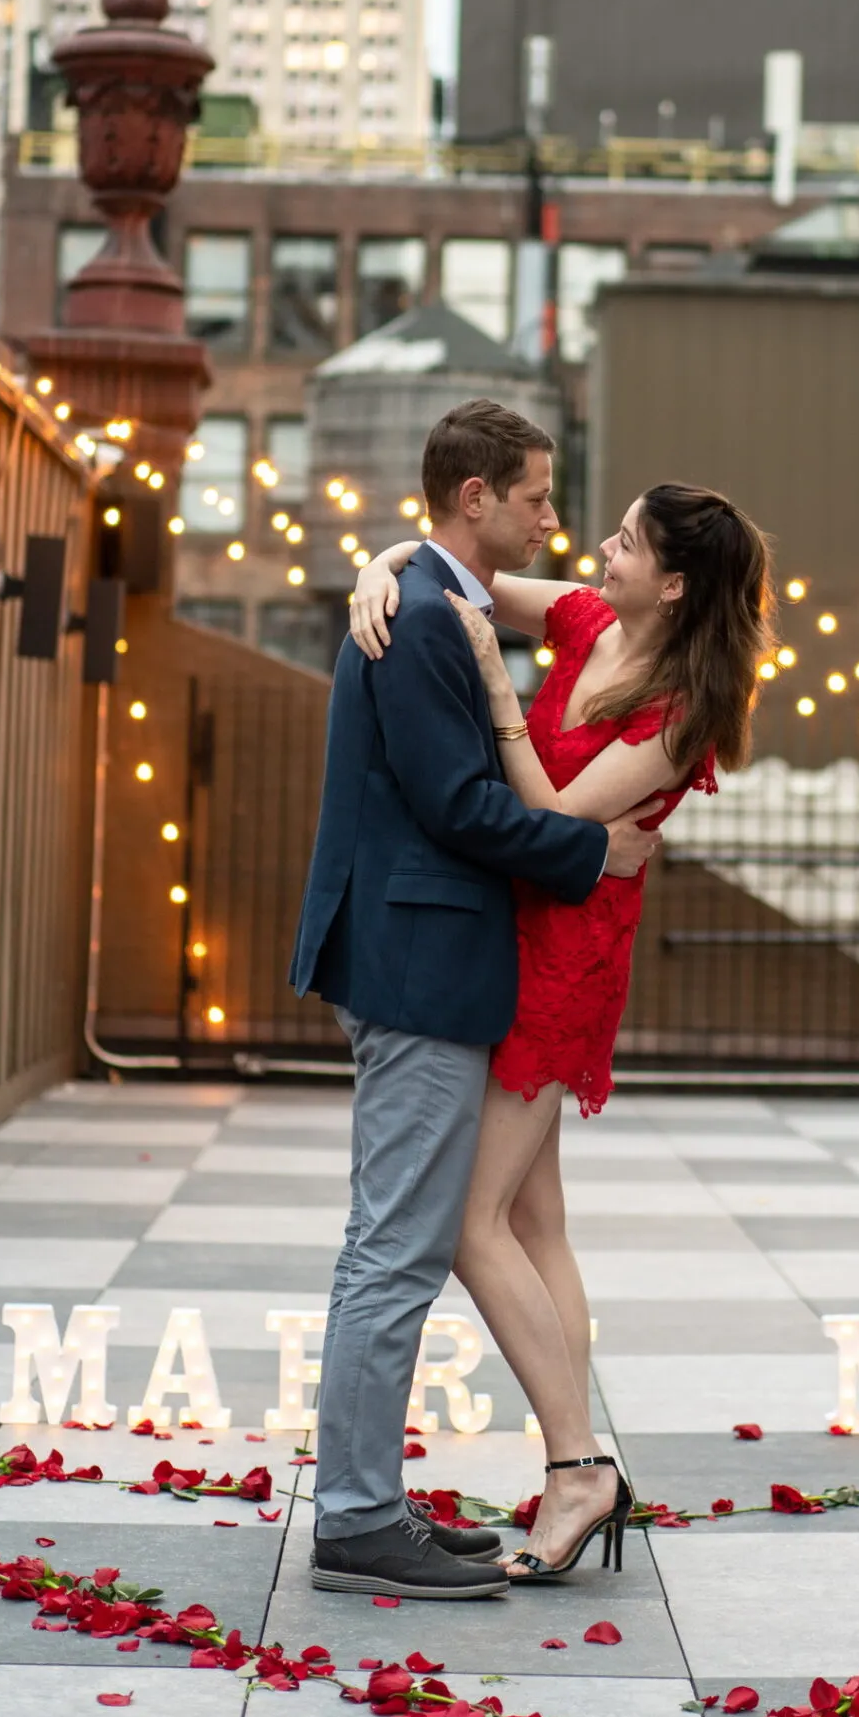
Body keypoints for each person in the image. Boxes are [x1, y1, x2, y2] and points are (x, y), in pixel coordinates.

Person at [349, 481, 772, 1581]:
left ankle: (580, 1467)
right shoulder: (588, 619)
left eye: (625, 542)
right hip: (513, 932)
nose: (599, 549)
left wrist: (499, 688)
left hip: (565, 964)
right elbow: (461, 577)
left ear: (673, 584)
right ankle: (571, 1466)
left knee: (470, 1224)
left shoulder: (681, 710)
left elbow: (550, 815)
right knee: (536, 1224)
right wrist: (379, 565)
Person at [289, 399, 664, 1602]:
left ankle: (407, 1496)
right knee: (399, 1246)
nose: (556, 519)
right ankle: (359, 1518)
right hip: (422, 963)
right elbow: (458, 805)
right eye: (538, 496)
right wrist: (593, 852)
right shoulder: (424, 617)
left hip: (450, 960)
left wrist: (391, 553)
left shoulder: (437, 599)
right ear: (476, 497)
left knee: (421, 1236)